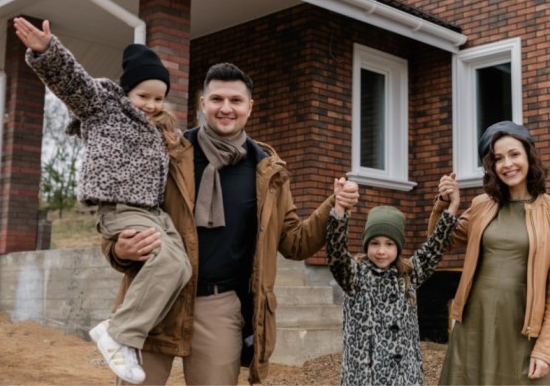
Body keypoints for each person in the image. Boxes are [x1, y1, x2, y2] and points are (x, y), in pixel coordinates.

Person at [105, 61, 360, 385]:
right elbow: (121, 215)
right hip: (155, 299)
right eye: (217, 99)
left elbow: (295, 243)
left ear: (250, 107)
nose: (226, 108)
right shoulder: (165, 152)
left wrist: (334, 207)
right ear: (203, 104)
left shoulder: (268, 171)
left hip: (219, 306)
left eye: (235, 101)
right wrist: (119, 249)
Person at [13, 17, 192, 384]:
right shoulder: (104, 107)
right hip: (120, 208)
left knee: (181, 267)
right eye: (143, 96)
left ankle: (121, 330)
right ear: (127, 92)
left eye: (158, 98)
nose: (151, 105)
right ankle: (120, 335)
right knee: (168, 262)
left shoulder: (159, 129)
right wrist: (48, 52)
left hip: (152, 213)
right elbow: (72, 83)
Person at [433, 120, 550, 385]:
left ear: (528, 156)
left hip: (523, 327)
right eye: (498, 159)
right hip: (474, 322)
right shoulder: (481, 205)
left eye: (514, 154)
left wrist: (545, 349)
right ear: (492, 167)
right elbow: (439, 245)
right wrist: (446, 205)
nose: (508, 164)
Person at [326, 174, 460, 385]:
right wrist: (340, 210)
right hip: (365, 378)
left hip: (406, 377)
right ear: (366, 245)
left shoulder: (408, 274)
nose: (381, 251)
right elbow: (336, 252)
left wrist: (452, 206)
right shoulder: (354, 275)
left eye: (389, 244)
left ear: (398, 247)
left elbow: (435, 246)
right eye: (375, 243)